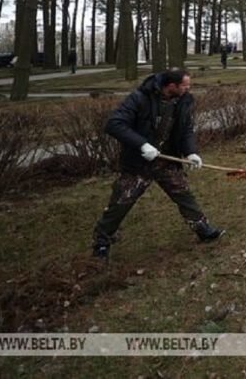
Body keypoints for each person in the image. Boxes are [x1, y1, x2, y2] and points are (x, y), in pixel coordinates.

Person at [91, 69, 222, 260]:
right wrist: (142, 145)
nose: (189, 88)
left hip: (166, 159)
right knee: (121, 202)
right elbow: (114, 124)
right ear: (171, 86)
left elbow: (185, 129)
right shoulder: (139, 98)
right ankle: (101, 243)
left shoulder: (183, 101)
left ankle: (202, 228)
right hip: (138, 162)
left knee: (183, 193)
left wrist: (191, 152)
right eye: (185, 85)